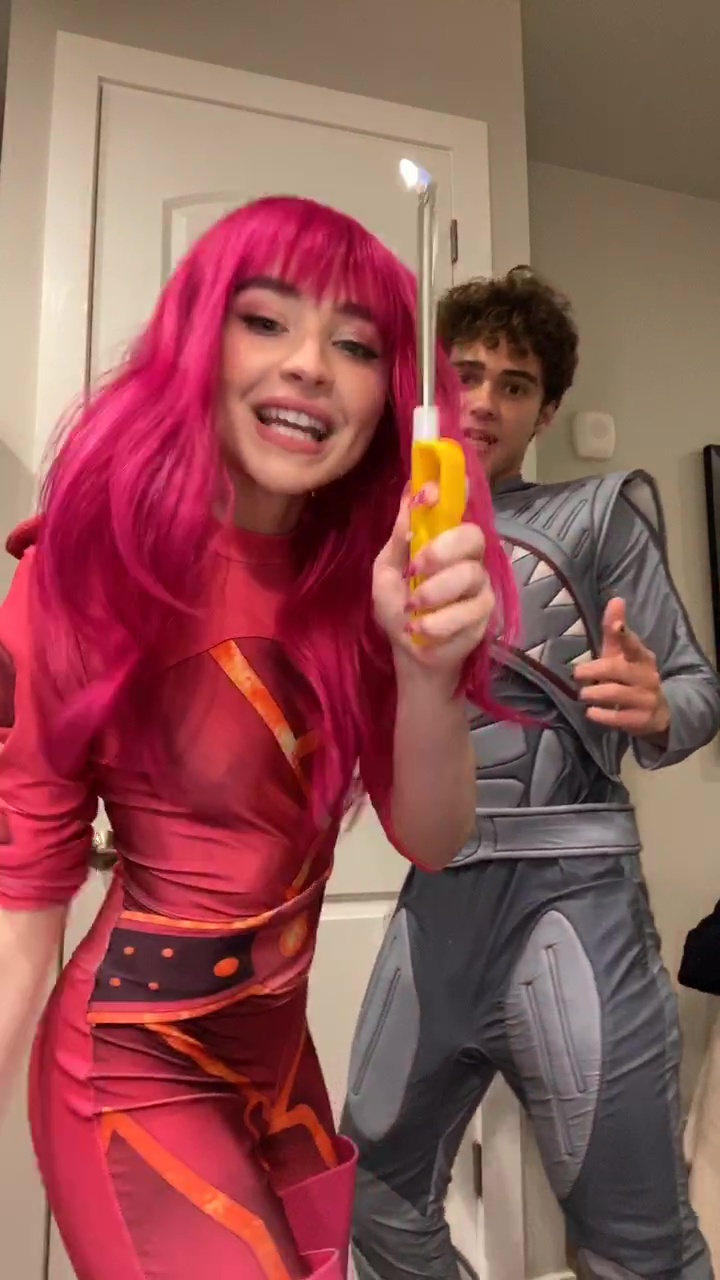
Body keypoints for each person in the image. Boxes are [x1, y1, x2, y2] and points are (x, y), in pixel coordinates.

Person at [0, 197, 517, 1280]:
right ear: (200, 344)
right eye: (266, 321)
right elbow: (20, 904)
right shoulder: (84, 571)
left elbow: (433, 839)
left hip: (279, 1068)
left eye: (356, 345)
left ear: (392, 397)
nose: (311, 365)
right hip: (130, 1071)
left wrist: (426, 674)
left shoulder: (371, 580)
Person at [342, 266, 720, 1280]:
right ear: (431, 390)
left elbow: (695, 689)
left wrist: (658, 706)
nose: (485, 400)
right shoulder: (377, 536)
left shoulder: (597, 513)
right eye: (465, 374)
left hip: (576, 898)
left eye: (515, 384)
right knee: (369, 1199)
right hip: (439, 895)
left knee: (635, 1243)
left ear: (546, 410)